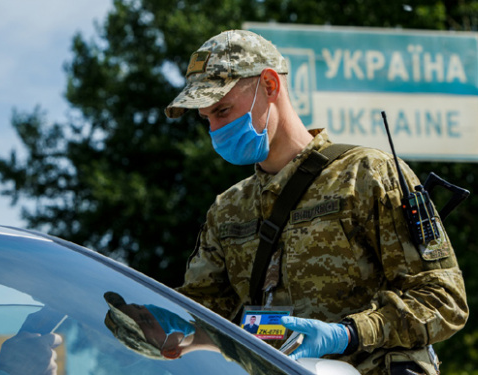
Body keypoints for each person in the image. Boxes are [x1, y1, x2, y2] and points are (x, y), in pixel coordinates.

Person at [165, 29, 468, 374]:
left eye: (222, 110)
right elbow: (199, 319)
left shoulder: (365, 176)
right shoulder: (229, 209)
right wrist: (142, 319)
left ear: (269, 85)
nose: (215, 129)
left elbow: (444, 301)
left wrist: (348, 334)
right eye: (207, 120)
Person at [103, 292, 281, 375]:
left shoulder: (207, 303)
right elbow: (288, 326)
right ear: (170, 352)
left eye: (139, 307)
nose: (150, 312)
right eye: (148, 322)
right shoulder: (247, 352)